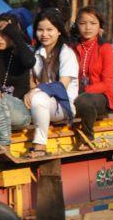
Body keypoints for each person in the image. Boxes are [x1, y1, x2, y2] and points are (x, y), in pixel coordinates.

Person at [24, 8, 79, 157]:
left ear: (59, 31)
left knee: (39, 98)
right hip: (39, 104)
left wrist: (35, 91)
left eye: (50, 29)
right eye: (40, 30)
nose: (44, 34)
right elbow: (31, 81)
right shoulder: (35, 53)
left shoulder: (66, 53)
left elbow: (61, 86)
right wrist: (31, 91)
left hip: (62, 104)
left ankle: (40, 145)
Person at [72, 7, 113, 146]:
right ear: (76, 25)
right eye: (83, 23)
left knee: (84, 101)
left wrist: (83, 91)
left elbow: (106, 84)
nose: (88, 27)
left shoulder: (106, 48)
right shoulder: (72, 48)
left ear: (99, 26)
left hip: (101, 96)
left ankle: (88, 138)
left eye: (93, 23)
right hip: (75, 93)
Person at [0, 21, 35, 146]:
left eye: (4, 34)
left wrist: (15, 34)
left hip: (20, 112)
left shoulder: (21, 57)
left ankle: (4, 141)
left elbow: (29, 62)